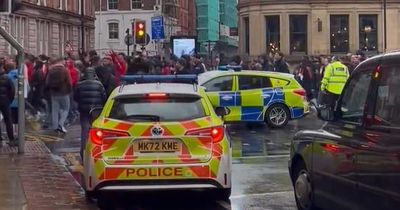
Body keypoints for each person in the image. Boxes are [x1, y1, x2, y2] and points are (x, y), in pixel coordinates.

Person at [74, 67, 107, 158]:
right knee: (95, 130)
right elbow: (104, 97)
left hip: (84, 110)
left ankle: (83, 151)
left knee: (84, 131)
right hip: (96, 110)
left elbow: (75, 97)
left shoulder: (79, 84)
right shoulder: (99, 84)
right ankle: (96, 150)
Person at [45, 60, 72, 134]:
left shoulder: (50, 71)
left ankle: (55, 127)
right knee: (66, 109)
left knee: (55, 110)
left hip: (54, 93)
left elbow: (47, 82)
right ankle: (61, 123)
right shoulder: (64, 70)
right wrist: (69, 90)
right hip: (64, 92)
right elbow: (69, 82)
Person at [0, 62, 16, 146]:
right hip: (5, 101)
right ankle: (11, 139)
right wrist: (9, 100)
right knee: (8, 120)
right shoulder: (7, 78)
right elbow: (12, 91)